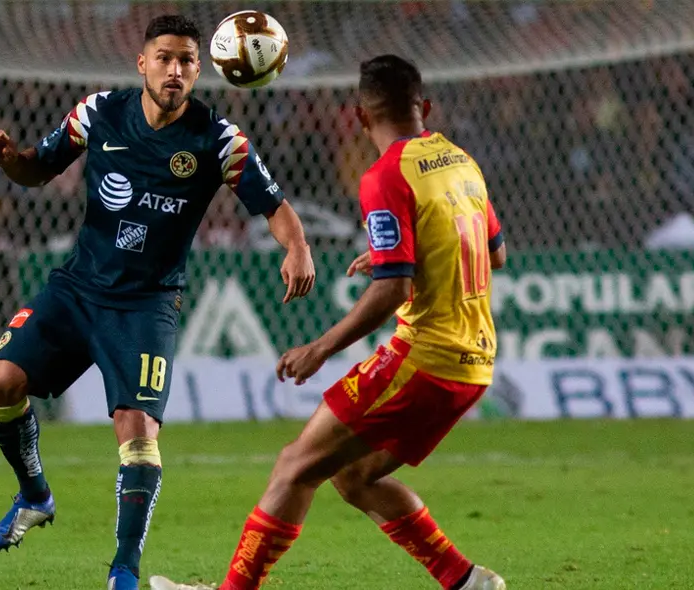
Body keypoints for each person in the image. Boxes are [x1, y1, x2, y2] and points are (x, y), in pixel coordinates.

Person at [0, 15, 316, 590]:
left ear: (200, 69)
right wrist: (11, 159)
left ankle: (124, 572)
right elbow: (39, 168)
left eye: (186, 60)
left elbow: (274, 205)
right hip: (78, 287)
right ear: (142, 63)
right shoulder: (97, 113)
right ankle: (34, 495)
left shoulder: (219, 139)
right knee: (1, 382)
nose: (175, 70)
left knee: (136, 433)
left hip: (147, 305)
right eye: (164, 57)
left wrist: (299, 247)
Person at [150, 54, 508, 590]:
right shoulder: (462, 162)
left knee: (296, 464)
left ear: (360, 118)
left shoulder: (386, 175)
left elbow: (393, 291)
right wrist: (407, 252)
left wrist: (321, 347)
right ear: (425, 107)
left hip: (425, 358)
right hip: (475, 363)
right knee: (353, 475)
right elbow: (494, 253)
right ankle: (466, 581)